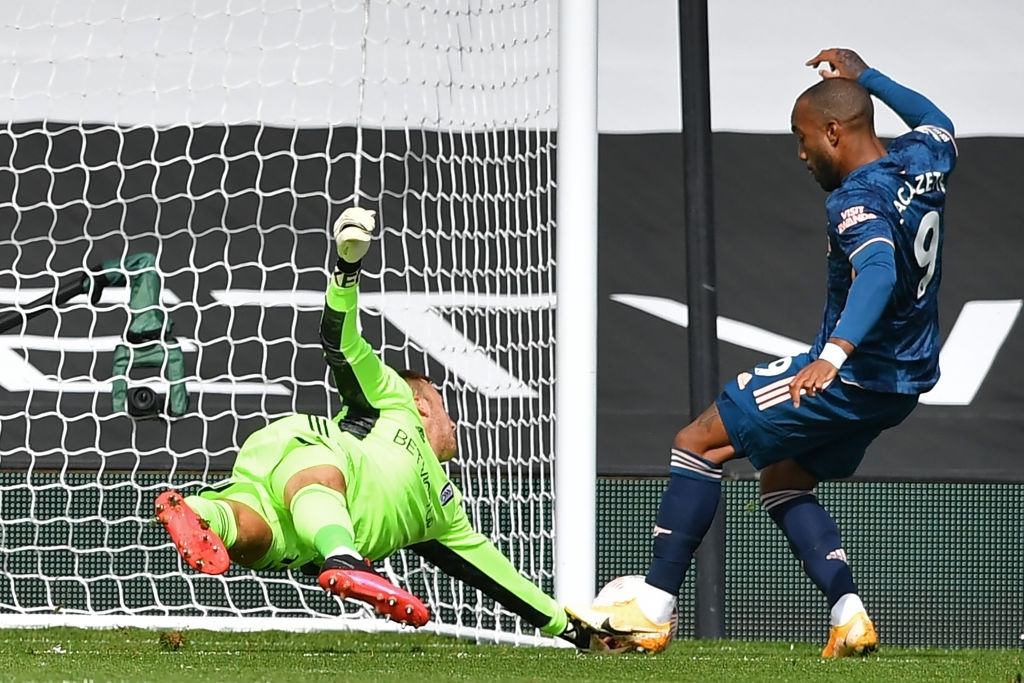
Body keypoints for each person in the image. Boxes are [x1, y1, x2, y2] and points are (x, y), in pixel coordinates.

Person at [568, 48, 957, 658]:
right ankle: (849, 615)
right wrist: (867, 77)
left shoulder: (857, 201)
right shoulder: (925, 159)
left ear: (834, 131)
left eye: (803, 139)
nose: (801, 154)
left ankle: (652, 608)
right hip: (904, 381)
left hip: (850, 376)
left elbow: (877, 271)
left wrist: (833, 354)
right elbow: (937, 120)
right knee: (782, 480)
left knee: (697, 442)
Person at [155, 206, 596, 650]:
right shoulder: (393, 399)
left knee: (254, 536)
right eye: (445, 408)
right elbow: (339, 339)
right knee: (324, 473)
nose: (454, 422)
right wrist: (348, 266)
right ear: (422, 404)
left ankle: (195, 513)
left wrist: (572, 629)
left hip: (303, 530)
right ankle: (345, 558)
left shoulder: (446, 515)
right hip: (312, 456)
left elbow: (496, 575)